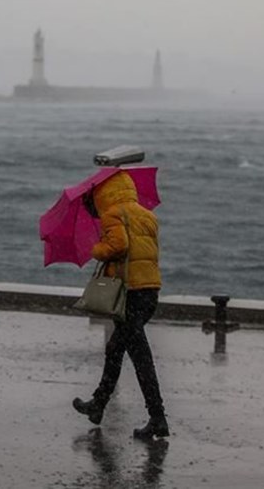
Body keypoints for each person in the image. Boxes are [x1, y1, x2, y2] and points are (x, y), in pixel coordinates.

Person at [73, 171, 169, 439]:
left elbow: (118, 245)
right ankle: (99, 404)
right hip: (149, 291)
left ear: (104, 193)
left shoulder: (113, 214)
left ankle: (157, 417)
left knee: (140, 357)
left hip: (129, 294)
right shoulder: (147, 215)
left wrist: (97, 249)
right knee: (116, 348)